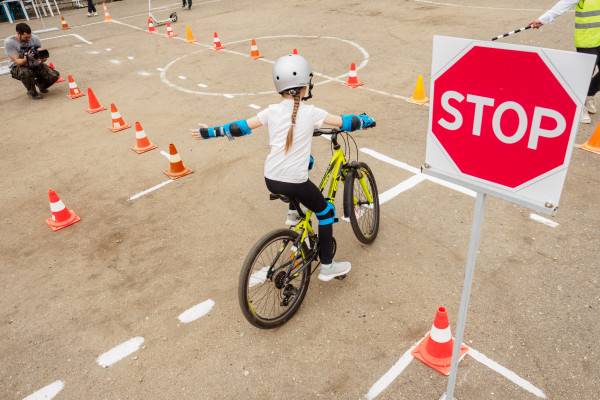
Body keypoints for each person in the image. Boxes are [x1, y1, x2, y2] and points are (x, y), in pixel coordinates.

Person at [191, 54, 376, 282]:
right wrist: (364, 120)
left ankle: (292, 211)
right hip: (294, 182)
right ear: (304, 86)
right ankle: (327, 267)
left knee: (305, 161)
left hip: (271, 178)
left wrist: (209, 132)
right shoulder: (311, 113)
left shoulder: (271, 111)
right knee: (326, 212)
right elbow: (346, 122)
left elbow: (239, 127)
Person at [530, 0, 600, 124]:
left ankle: (589, 94)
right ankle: (579, 106)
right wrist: (543, 19)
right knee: (584, 75)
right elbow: (563, 4)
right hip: (588, 39)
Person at [4, 23, 59, 100]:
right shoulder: (9, 42)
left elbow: (41, 54)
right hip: (18, 67)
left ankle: (40, 85)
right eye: (26, 37)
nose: (28, 39)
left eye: (29, 37)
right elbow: (18, 61)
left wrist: (42, 58)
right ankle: (32, 92)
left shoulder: (34, 38)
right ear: (18, 33)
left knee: (54, 76)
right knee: (26, 72)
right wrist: (27, 58)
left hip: (34, 63)